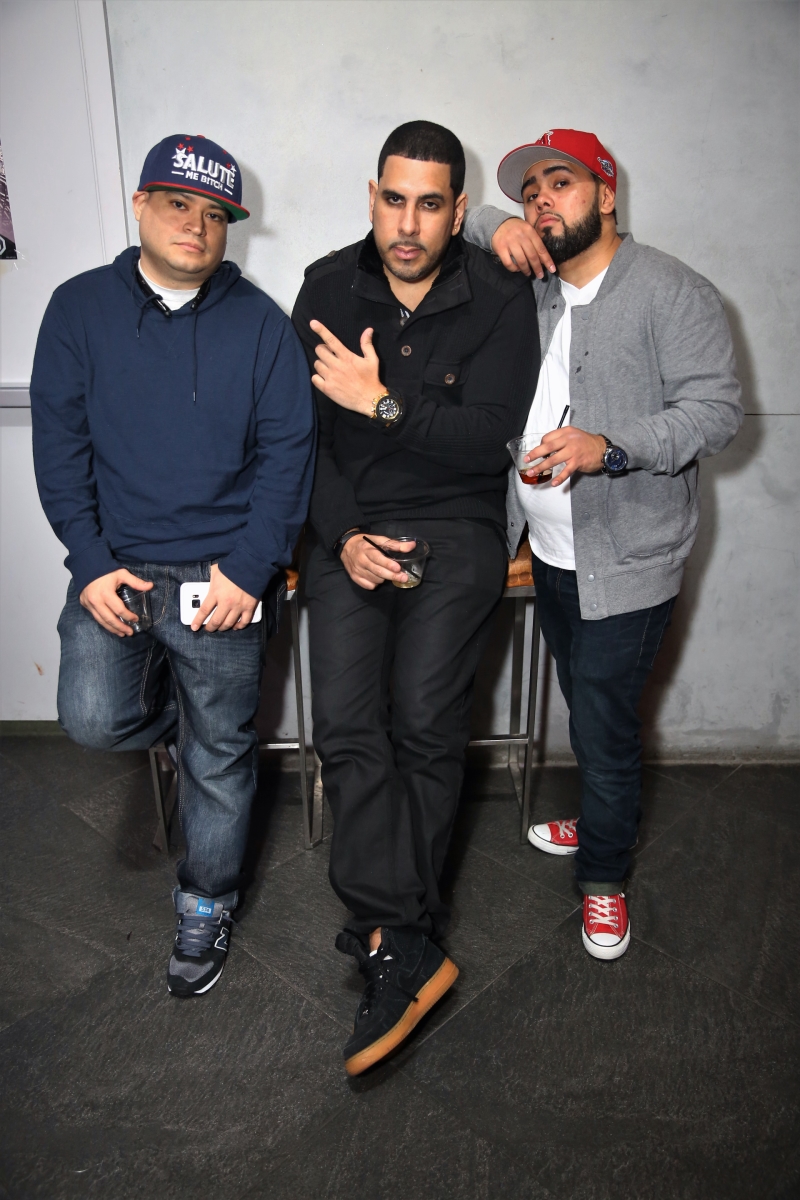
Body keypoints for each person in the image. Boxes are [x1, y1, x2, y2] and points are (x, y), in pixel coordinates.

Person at [30, 134, 315, 998]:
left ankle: (206, 900)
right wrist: (88, 562)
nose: (196, 224)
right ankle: (192, 731)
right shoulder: (78, 308)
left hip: (223, 578)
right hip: (118, 570)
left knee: (222, 753)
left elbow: (289, 454)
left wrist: (250, 569)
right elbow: (60, 446)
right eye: (178, 204)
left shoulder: (261, 324)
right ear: (141, 205)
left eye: (215, 213)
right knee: (93, 718)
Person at [292, 120, 539, 1074]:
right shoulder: (324, 288)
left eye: (430, 205)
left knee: (425, 719)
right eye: (393, 200)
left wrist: (385, 404)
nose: (408, 224)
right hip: (351, 525)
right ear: (372, 196)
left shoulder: (499, 297)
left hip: (457, 528)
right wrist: (343, 538)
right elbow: (301, 443)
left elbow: (491, 438)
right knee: (348, 726)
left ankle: (392, 942)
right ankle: (402, 937)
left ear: (459, 210)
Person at [463, 128, 742, 960]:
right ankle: (601, 814)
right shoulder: (534, 286)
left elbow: (716, 414)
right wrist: (498, 223)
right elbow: (460, 218)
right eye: (530, 193)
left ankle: (604, 878)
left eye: (562, 183)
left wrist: (608, 447)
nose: (541, 201)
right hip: (547, 555)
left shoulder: (673, 291)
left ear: (608, 195)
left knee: (604, 725)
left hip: (628, 561)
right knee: (588, 708)